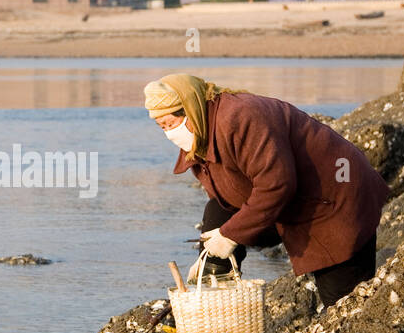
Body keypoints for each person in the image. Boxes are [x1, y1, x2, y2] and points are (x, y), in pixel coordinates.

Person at [144, 74, 389, 309]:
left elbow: (276, 184)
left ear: (191, 109)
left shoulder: (240, 118)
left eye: (171, 124)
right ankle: (214, 307)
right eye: (161, 126)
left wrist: (230, 236)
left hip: (335, 197)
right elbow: (225, 194)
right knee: (217, 216)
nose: (168, 133)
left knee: (343, 305)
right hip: (290, 200)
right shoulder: (201, 132)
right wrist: (209, 254)